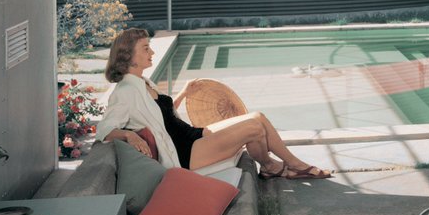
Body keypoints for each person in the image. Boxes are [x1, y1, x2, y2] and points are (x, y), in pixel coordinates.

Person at [96, 28, 331, 180]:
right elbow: (104, 130)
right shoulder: (125, 91)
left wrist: (184, 93)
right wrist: (129, 135)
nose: (152, 52)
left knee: (257, 117)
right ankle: (294, 165)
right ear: (128, 55)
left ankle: (270, 167)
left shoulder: (144, 82)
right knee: (253, 128)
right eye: (146, 48)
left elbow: (162, 116)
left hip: (193, 135)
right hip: (185, 153)